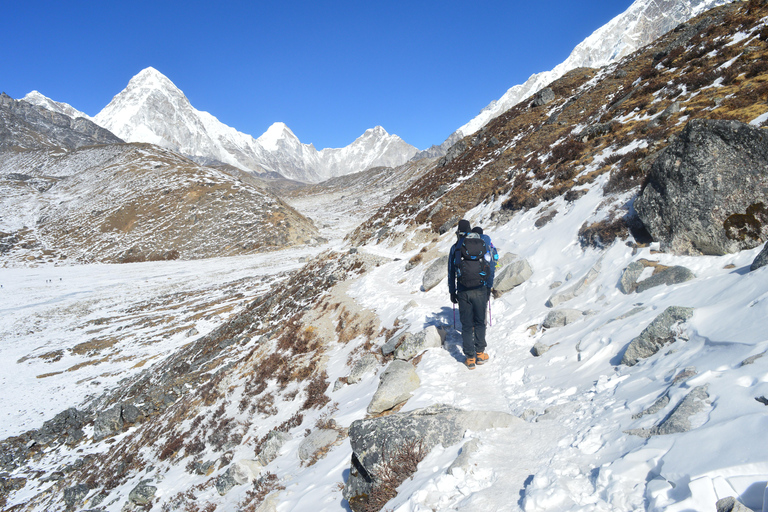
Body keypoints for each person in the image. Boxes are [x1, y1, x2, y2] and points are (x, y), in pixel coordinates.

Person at [448, 219, 495, 369]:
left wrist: (452, 291)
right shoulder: (482, 244)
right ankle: (480, 354)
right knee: (480, 322)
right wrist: (488, 286)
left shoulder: (455, 247)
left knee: (467, 325)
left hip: (463, 291)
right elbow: (490, 265)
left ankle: (469, 358)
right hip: (481, 289)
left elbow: (451, 272)